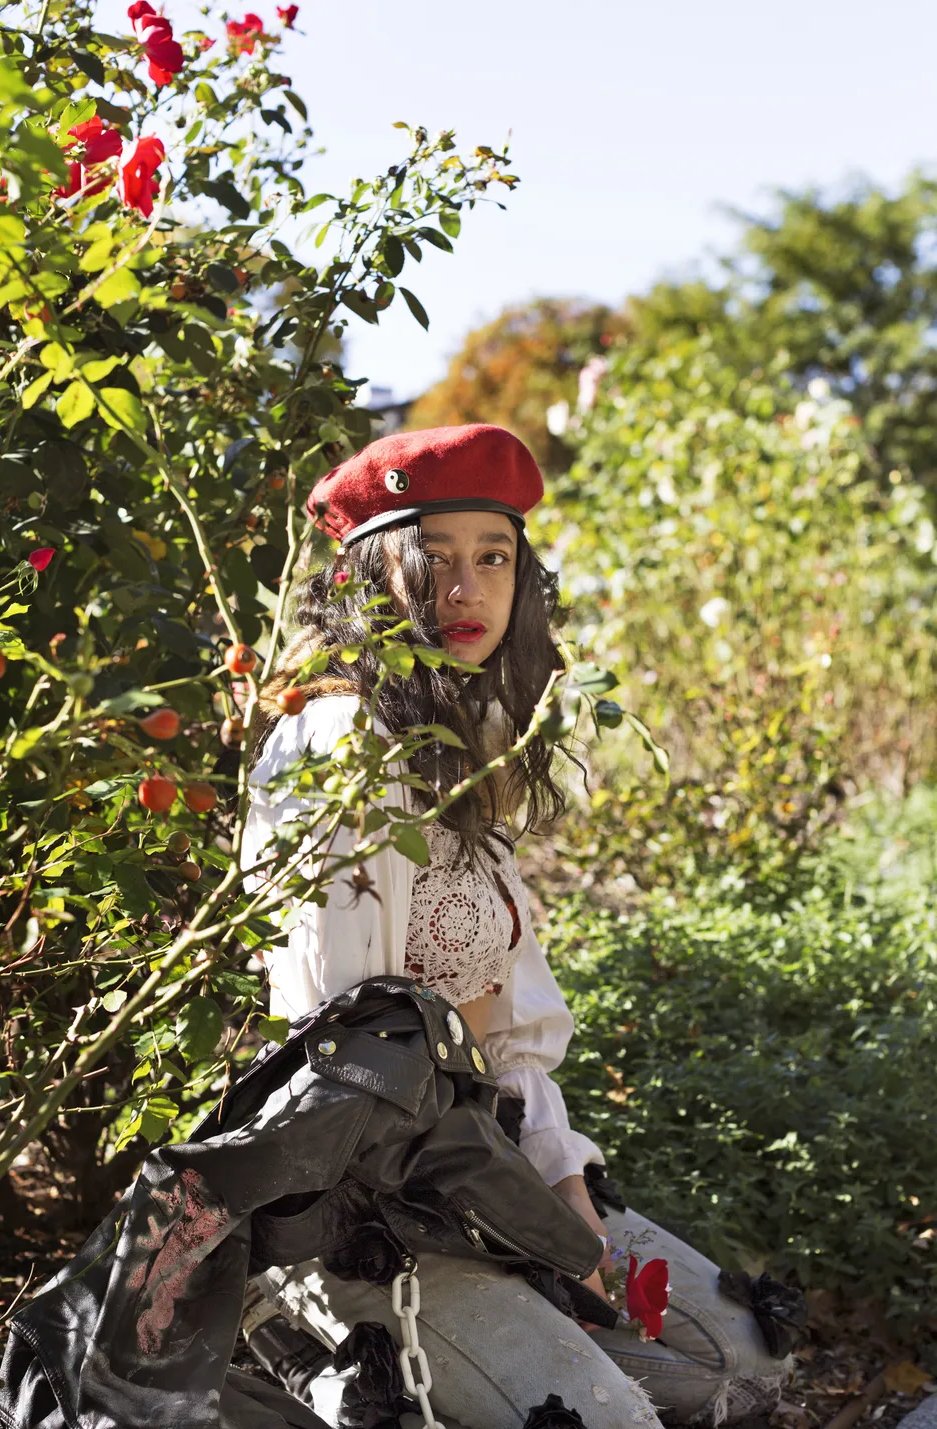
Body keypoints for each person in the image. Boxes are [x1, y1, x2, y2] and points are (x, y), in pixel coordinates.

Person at [242, 424, 792, 1429]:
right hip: (361, 1212)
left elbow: (505, 1028)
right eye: (435, 559)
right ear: (375, 578)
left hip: (488, 1177)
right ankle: (303, 1345)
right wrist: (525, 1237)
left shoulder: (471, 751)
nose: (467, 590)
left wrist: (562, 1188)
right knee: (605, 1418)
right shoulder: (336, 745)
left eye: (492, 558)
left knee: (742, 1365)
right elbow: (339, 1052)